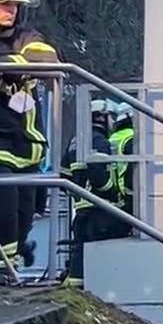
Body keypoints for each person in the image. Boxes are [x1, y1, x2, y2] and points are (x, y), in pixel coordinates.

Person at [0, 0, 54, 274]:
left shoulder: (27, 38)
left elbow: (47, 62)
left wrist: (9, 64)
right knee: (4, 207)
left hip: (27, 145)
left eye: (14, 5)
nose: (11, 10)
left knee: (23, 214)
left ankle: (12, 266)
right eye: (4, 4)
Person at [63, 99, 136, 283]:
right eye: (109, 117)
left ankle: (74, 292)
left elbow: (63, 175)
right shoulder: (99, 141)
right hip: (101, 210)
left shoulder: (75, 141)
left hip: (81, 213)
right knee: (101, 263)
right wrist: (113, 193)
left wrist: (78, 193)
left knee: (80, 260)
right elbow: (99, 175)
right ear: (101, 118)